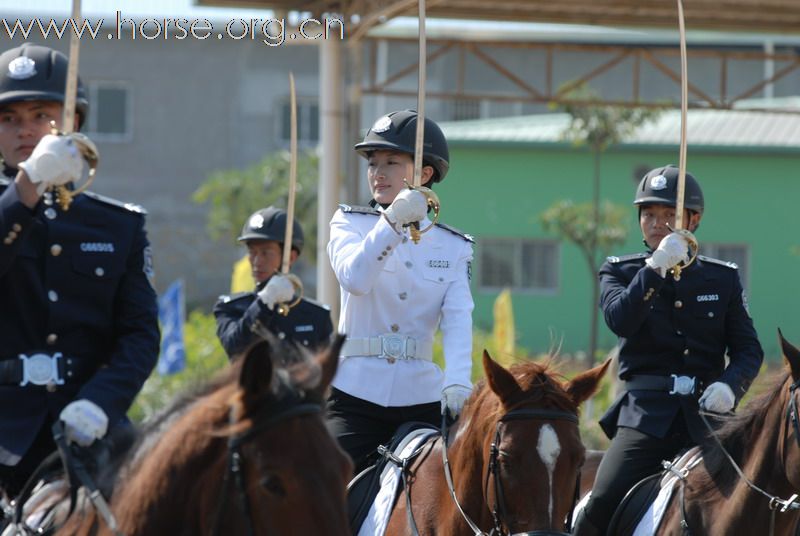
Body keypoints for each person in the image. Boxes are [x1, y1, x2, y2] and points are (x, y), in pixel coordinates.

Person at [0, 44, 159, 498]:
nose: (25, 130)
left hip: (92, 428)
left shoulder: (119, 224)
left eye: (40, 115)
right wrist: (27, 186)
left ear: (73, 122)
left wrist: (101, 401)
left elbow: (140, 334)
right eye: (9, 118)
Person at [572, 165, 763, 535]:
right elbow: (620, 320)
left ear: (693, 219)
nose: (657, 223)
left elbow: (748, 351)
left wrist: (730, 386)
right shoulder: (621, 272)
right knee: (599, 504)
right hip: (646, 418)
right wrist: (656, 266)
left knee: (761, 494)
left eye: (669, 215)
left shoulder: (722, 278)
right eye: (648, 214)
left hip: (709, 421)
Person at [326, 110, 474, 474]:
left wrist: (457, 381)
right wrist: (392, 221)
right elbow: (355, 279)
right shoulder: (350, 223)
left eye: (392, 161)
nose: (378, 172)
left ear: (424, 174)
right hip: (355, 395)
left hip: (421, 398)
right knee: (321, 490)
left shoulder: (453, 246)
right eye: (373, 162)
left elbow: (457, 318)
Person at [213, 206, 333, 359]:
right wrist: (264, 302)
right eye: (252, 252)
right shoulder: (231, 308)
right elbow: (235, 347)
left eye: (265, 253)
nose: (256, 261)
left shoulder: (316, 316)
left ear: (290, 257)